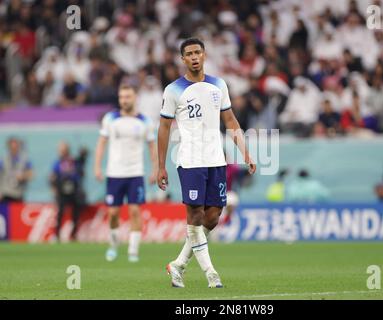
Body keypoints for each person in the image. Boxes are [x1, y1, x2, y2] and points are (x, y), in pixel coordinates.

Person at [157, 38, 256, 288]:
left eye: (197, 52)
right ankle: (211, 273)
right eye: (188, 53)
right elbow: (164, 128)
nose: (193, 57)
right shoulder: (173, 90)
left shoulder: (218, 85)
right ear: (182, 59)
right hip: (190, 159)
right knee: (195, 215)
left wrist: (245, 151)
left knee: (212, 217)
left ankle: (178, 264)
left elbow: (231, 121)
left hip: (216, 159)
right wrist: (160, 166)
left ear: (204, 55)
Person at [94, 83, 158, 263]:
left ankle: (133, 250)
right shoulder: (110, 119)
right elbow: (101, 143)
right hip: (114, 173)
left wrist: (155, 169)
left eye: (128, 97)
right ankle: (114, 246)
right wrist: (97, 167)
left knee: (135, 211)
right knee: (113, 213)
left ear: (135, 98)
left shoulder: (145, 121)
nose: (124, 100)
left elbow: (152, 147)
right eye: (122, 97)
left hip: (135, 173)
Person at [50, 142, 88, 241]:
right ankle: (57, 234)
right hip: (62, 190)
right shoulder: (57, 162)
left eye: (64, 149)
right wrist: (53, 188)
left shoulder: (73, 161)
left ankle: (74, 234)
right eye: (61, 149)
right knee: (60, 213)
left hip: (74, 190)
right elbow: (53, 176)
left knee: (75, 213)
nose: (63, 151)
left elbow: (81, 164)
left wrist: (83, 154)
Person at [0, 137, 33, 203]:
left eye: (15, 147)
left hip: (18, 193)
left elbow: (31, 174)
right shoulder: (3, 160)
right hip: (5, 193)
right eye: (12, 147)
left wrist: (23, 176)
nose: (14, 149)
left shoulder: (24, 160)